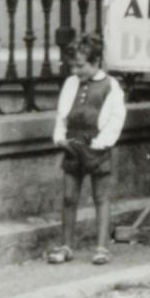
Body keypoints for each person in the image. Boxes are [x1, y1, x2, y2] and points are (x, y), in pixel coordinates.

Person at [48, 33, 127, 265]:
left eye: (81, 66)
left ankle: (102, 247)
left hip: (96, 145)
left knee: (101, 197)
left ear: (96, 61)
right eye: (73, 66)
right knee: (69, 196)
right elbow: (62, 114)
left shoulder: (110, 85)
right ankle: (66, 245)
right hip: (73, 144)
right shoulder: (71, 83)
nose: (76, 71)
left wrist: (101, 142)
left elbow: (116, 118)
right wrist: (60, 137)